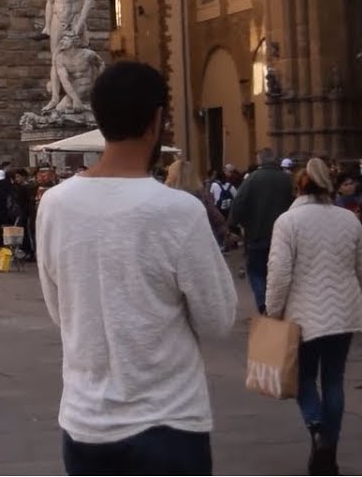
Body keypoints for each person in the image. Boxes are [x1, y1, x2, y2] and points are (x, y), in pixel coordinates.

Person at [35, 61, 237, 475]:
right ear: (156, 121)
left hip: (84, 424)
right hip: (167, 422)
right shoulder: (179, 211)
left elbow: (60, 311)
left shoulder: (55, 205)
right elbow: (217, 319)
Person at [265, 158, 362, 476]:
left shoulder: (287, 222)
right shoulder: (348, 220)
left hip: (302, 315)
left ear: (299, 187)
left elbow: (279, 276)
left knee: (304, 378)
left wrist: (273, 313)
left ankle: (317, 428)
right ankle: (329, 449)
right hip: (343, 312)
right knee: (333, 380)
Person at [229, 148, 295, 315]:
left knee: (256, 271)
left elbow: (239, 203)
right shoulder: (287, 180)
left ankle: (263, 303)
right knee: (280, 270)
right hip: (284, 235)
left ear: (259, 160)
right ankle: (279, 304)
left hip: (257, 234)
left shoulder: (252, 179)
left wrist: (233, 225)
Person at [165, 160, 231, 250]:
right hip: (202, 240)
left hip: (174, 243)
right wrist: (226, 232)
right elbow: (215, 215)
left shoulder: (166, 196)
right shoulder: (203, 194)